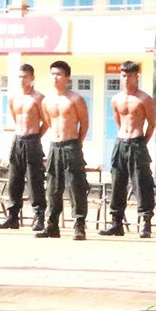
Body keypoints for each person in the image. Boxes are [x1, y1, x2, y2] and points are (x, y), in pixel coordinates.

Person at [101, 60, 156, 237]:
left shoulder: (144, 99)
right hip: (120, 143)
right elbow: (118, 121)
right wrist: (123, 137)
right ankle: (116, 223)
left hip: (137, 142)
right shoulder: (116, 99)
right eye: (123, 75)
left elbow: (152, 123)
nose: (126, 79)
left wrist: (142, 142)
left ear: (136, 76)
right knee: (117, 183)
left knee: (142, 183)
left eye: (129, 76)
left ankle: (145, 222)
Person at [39, 60, 90, 239]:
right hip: (55, 146)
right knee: (53, 187)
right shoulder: (46, 101)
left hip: (71, 145)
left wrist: (77, 143)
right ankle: (52, 225)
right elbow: (48, 122)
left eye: (59, 74)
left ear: (67, 77)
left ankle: (79, 224)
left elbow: (84, 124)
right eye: (53, 74)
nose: (55, 77)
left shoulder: (75, 99)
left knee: (76, 186)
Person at [0, 63, 47, 230]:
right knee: (14, 180)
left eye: (25, 77)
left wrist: (36, 136)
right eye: (19, 77)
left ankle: (39, 217)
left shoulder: (38, 98)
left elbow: (46, 121)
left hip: (33, 140)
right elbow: (15, 118)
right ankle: (12, 217)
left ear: (32, 78)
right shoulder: (13, 98)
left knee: (34, 181)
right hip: (17, 140)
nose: (22, 80)